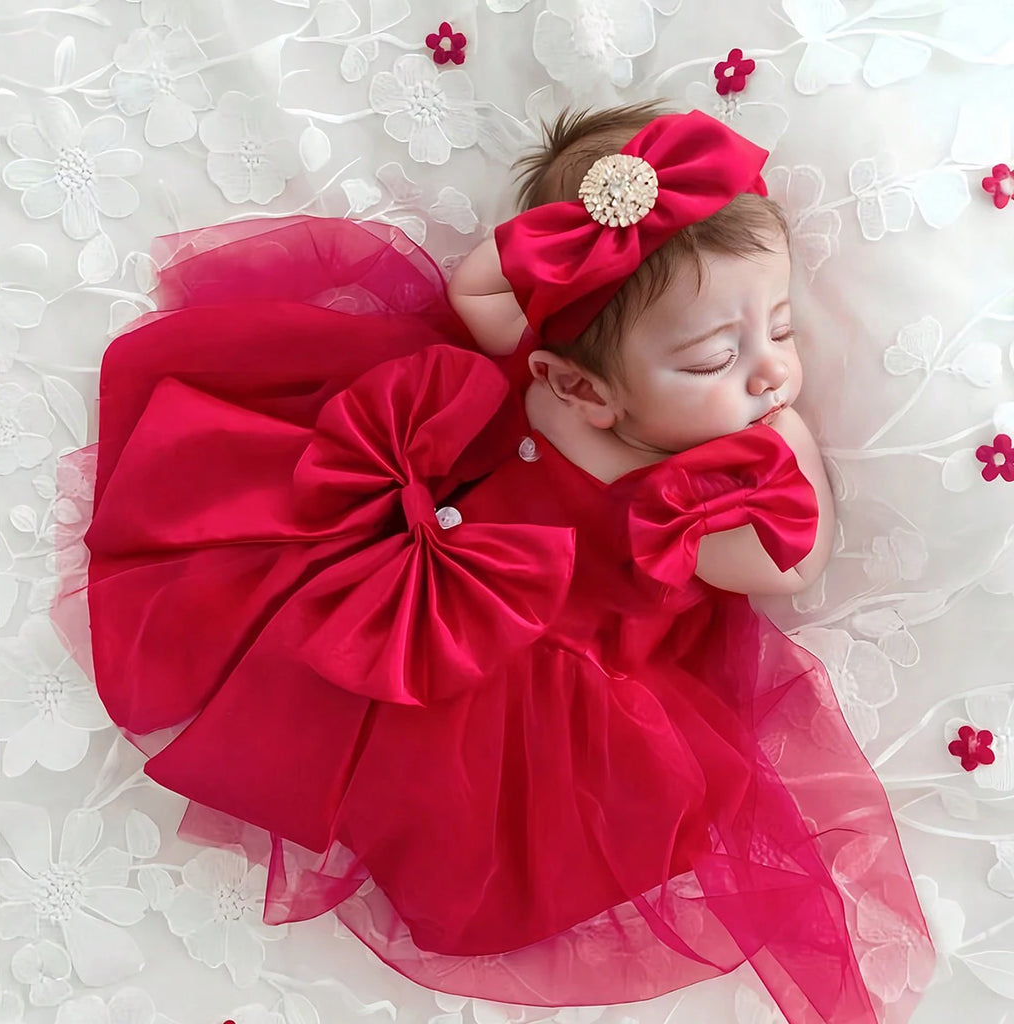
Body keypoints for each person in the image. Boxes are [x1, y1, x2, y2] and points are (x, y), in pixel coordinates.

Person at [59, 102, 933, 1024]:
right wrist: (788, 441)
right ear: (577, 385)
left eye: (781, 329)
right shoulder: (618, 444)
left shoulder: (628, 439)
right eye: (716, 359)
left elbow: (480, 289)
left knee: (409, 766)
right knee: (320, 669)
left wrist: (576, 251)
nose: (769, 374)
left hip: (500, 651)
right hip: (453, 598)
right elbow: (787, 565)